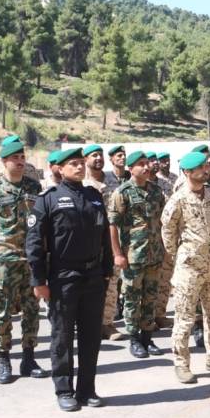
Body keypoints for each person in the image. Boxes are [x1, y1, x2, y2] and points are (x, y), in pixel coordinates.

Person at [26, 146, 113, 411]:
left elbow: (104, 236)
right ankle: (64, 390)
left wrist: (107, 269)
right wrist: (39, 281)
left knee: (91, 336)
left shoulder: (94, 196)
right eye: (73, 163)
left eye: (80, 163)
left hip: (93, 275)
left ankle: (87, 389)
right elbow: (34, 243)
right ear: (60, 169)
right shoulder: (48, 199)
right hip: (63, 276)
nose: (79, 167)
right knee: (62, 336)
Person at [161, 152, 210, 384]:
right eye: (201, 168)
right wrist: (180, 255)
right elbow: (167, 231)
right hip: (189, 266)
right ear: (187, 172)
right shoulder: (178, 199)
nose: (206, 170)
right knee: (185, 317)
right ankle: (181, 363)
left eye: (206, 166)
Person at [0, 140, 47, 384]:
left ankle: (29, 359)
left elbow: (41, 223)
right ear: (4, 161)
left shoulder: (34, 186)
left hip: (30, 257)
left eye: (22, 157)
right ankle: (4, 359)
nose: (20, 161)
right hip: (5, 258)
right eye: (15, 158)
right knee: (3, 310)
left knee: (32, 309)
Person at [107, 151, 165, 359]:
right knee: (132, 299)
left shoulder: (156, 191)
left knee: (151, 297)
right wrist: (117, 254)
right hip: (133, 256)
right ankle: (134, 339)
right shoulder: (122, 192)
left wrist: (164, 248)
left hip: (154, 254)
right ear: (131, 169)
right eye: (141, 164)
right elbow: (112, 225)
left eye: (147, 163)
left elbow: (162, 221)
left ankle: (147, 338)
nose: (146, 167)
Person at [81, 144, 126, 340]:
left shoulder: (114, 181)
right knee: (88, 284)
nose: (98, 158)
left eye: (100, 155)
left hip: (113, 240)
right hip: (90, 241)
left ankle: (107, 324)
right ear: (85, 160)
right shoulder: (82, 183)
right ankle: (87, 324)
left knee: (112, 282)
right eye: (94, 155)